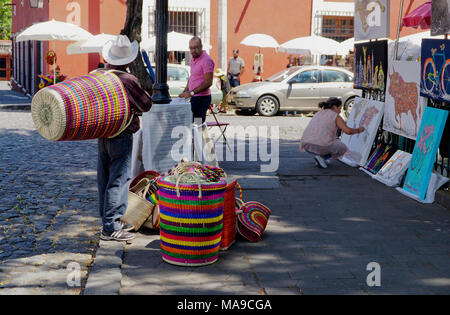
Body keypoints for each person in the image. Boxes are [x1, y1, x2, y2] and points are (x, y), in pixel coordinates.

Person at [98, 35, 152, 241]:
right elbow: (146, 104)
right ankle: (111, 227)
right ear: (129, 60)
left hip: (102, 132)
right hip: (121, 133)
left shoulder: (101, 75)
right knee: (118, 179)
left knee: (104, 176)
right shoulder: (128, 80)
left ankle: (107, 221)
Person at [299, 97, 364, 169]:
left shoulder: (319, 113)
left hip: (307, 144)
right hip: (320, 145)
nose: (340, 111)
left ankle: (321, 157)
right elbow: (348, 131)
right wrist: (359, 130)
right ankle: (322, 157)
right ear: (334, 107)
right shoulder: (335, 116)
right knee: (342, 148)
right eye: (339, 108)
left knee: (326, 141)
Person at [179, 36, 215, 123]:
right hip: (194, 97)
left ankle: (198, 137)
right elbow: (192, 76)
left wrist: (192, 92)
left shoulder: (206, 60)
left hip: (202, 98)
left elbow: (209, 82)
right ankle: (195, 137)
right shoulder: (192, 59)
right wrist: (185, 90)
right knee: (191, 124)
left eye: (196, 48)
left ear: (201, 47)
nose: (193, 51)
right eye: (191, 48)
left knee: (197, 124)